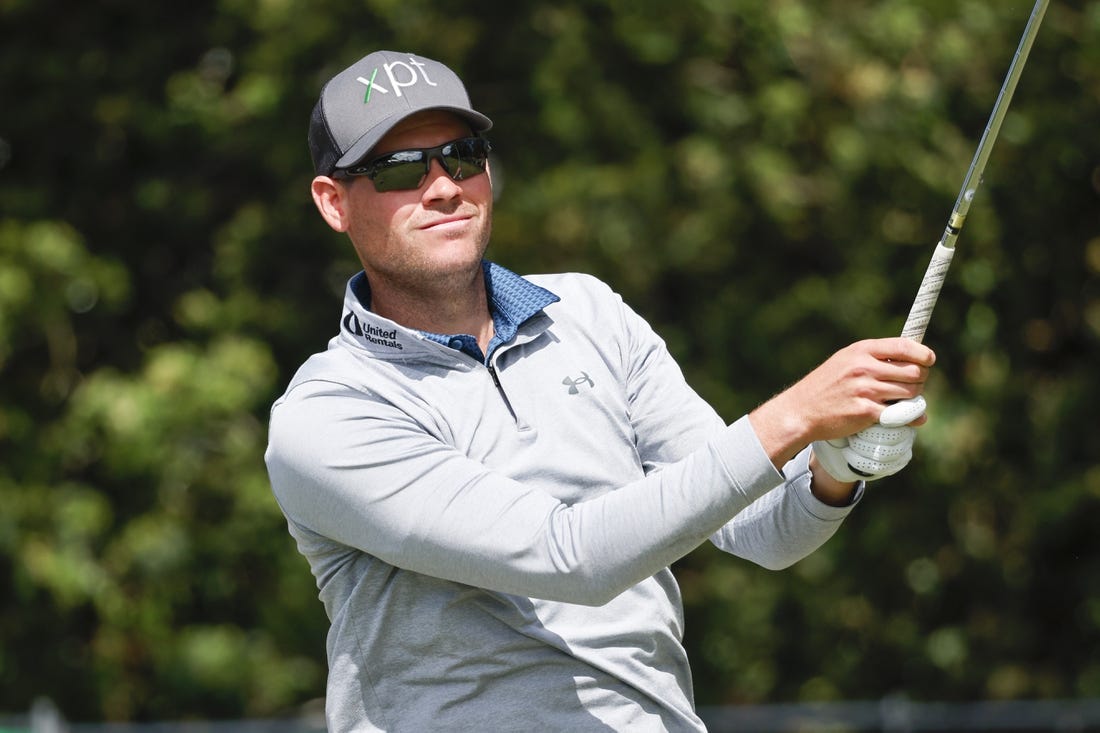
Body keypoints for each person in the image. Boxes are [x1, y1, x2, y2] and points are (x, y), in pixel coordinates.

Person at [265, 50, 936, 733]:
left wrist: (834, 465)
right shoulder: (328, 414)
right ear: (333, 203)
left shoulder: (589, 312)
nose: (443, 188)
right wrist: (794, 415)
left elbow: (761, 531)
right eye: (401, 170)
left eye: (461, 156)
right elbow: (571, 556)